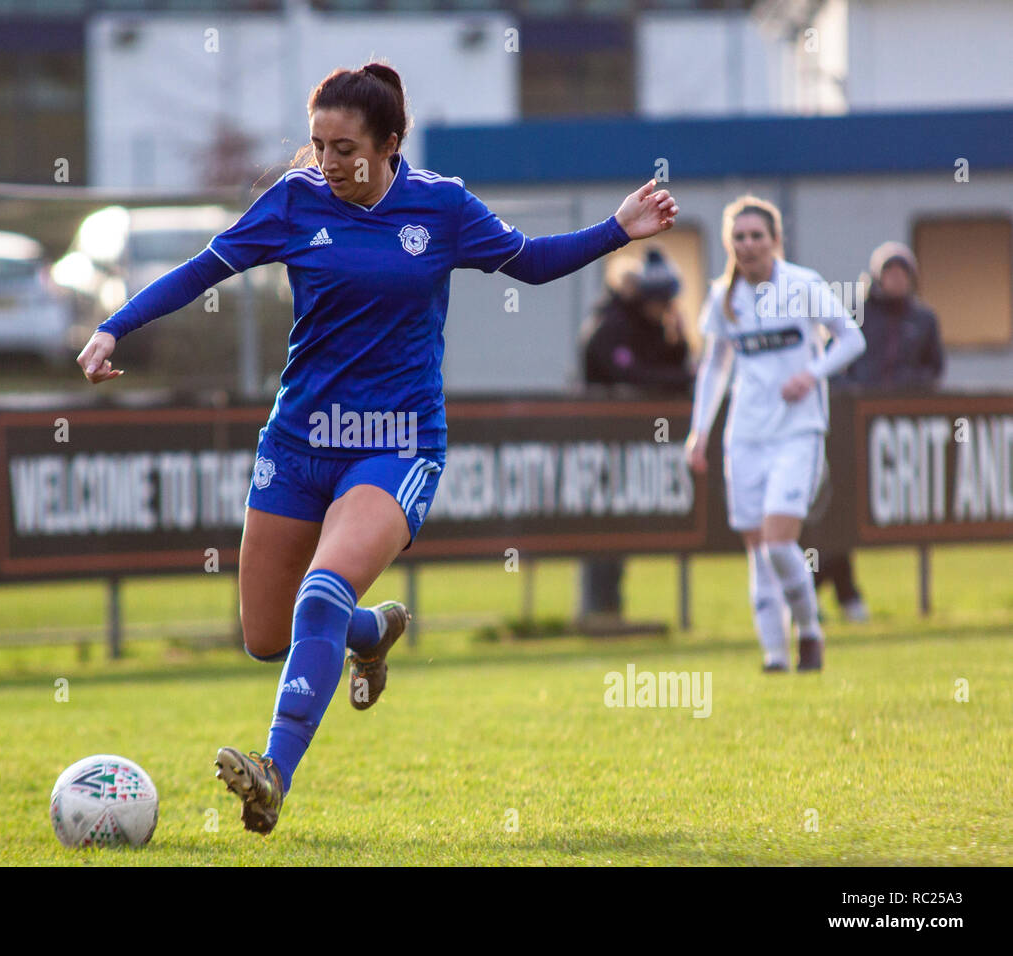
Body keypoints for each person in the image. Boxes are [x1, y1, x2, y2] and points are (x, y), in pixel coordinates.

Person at [78, 62, 678, 834]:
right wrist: (111, 326)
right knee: (267, 636)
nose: (327, 164)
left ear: (393, 143)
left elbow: (527, 263)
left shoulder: (443, 207)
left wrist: (615, 230)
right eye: (318, 144)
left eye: (345, 148)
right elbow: (203, 269)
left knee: (320, 592)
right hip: (296, 444)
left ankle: (273, 772)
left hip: (396, 445)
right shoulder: (295, 202)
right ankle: (373, 630)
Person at [684, 196, 865, 673]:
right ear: (729, 243)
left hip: (798, 431)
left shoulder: (802, 285)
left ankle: (809, 629)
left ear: (775, 239)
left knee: (778, 542)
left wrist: (813, 372)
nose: (747, 245)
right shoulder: (724, 297)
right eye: (738, 237)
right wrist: (698, 432)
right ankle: (774, 656)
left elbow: (851, 338)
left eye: (756, 236)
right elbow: (715, 367)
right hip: (744, 436)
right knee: (756, 550)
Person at [813, 241, 944, 621]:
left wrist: (907, 387)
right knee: (841, 511)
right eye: (889, 273)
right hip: (851, 431)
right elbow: (831, 359)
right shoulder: (855, 313)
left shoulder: (923, 320)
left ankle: (827, 593)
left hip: (898, 434)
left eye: (903, 273)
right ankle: (838, 592)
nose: (896, 280)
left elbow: (934, 369)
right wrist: (850, 393)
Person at [579, 247, 693, 617]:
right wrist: (681, 377)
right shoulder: (611, 326)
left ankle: (610, 606)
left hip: (630, 445)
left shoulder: (651, 326)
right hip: (601, 443)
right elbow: (633, 375)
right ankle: (598, 607)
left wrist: (678, 343)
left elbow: (667, 364)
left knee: (618, 525)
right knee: (601, 525)